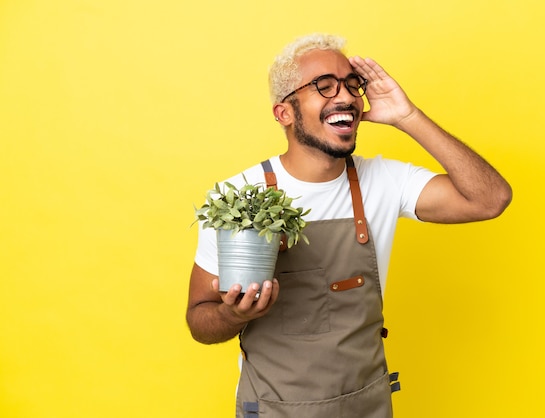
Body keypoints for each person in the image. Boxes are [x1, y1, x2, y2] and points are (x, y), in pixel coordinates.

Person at [186, 33, 512, 418]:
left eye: (352, 84)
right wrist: (232, 315)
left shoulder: (386, 181)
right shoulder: (238, 198)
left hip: (369, 405)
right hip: (276, 409)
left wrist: (408, 117)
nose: (345, 97)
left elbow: (491, 199)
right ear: (284, 113)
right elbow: (199, 320)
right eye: (324, 85)